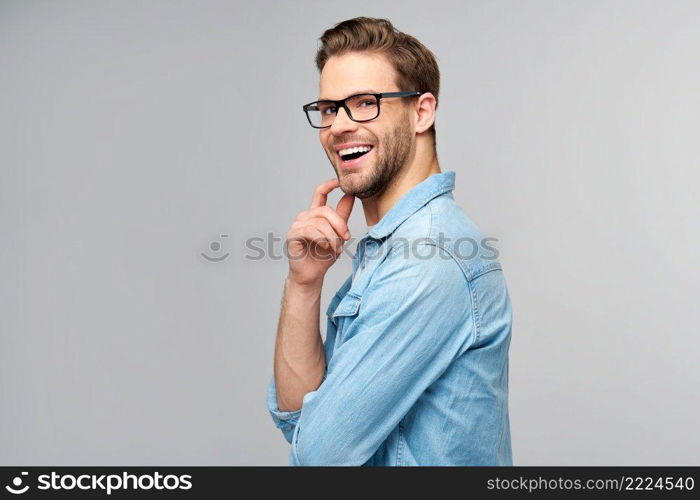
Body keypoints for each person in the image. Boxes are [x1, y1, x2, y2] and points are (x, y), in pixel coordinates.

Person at [266, 17, 513, 466]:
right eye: (329, 108)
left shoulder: (430, 258)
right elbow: (296, 416)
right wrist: (303, 285)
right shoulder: (394, 250)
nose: (339, 126)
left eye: (365, 103)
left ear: (421, 112)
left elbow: (319, 457)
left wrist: (309, 434)